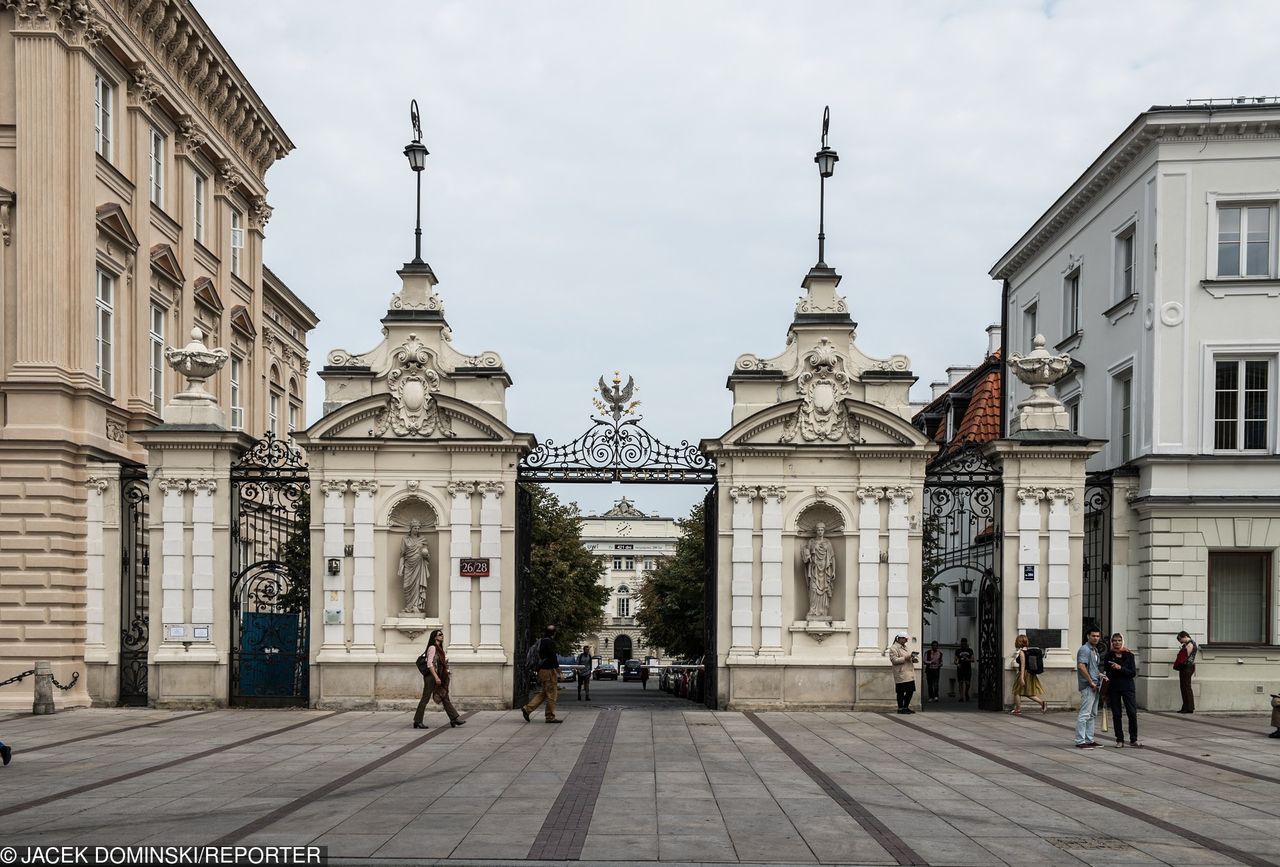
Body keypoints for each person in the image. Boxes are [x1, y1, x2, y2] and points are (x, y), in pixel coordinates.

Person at [414, 629, 464, 729]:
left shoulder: (439, 648)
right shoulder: (432, 648)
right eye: (439, 634)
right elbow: (430, 664)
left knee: (444, 696)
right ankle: (417, 721)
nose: (442, 636)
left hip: (439, 676)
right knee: (425, 698)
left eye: (442, 634)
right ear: (435, 637)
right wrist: (436, 677)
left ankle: (454, 719)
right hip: (431, 677)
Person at [1103, 633, 1139, 747]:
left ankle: (1133, 739)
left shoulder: (1129, 655)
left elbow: (1132, 673)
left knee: (1132, 713)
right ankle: (1119, 739)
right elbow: (1106, 673)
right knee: (1116, 714)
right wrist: (1105, 691)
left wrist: (1120, 668)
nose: (1116, 643)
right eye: (1114, 640)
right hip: (1114, 688)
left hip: (1128, 687)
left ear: (1122, 641)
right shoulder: (1109, 655)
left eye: (1119, 640)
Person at [521, 624, 562, 724]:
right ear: (554, 633)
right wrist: (558, 671)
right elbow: (553, 657)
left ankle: (527, 709)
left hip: (542, 671)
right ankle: (550, 717)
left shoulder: (541, 641)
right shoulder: (549, 642)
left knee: (543, 693)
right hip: (548, 671)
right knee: (552, 694)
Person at [1075, 628, 1104, 748]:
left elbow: (1093, 668)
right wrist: (1090, 681)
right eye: (1093, 636)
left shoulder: (1094, 650)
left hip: (1095, 685)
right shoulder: (1085, 649)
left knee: (1092, 714)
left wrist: (1099, 675)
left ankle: (1089, 739)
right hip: (1088, 686)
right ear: (1088, 636)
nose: (1096, 638)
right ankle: (1080, 741)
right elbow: (1081, 666)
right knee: (1084, 714)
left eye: (1097, 636)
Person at [802, 523, 836, 620]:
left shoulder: (827, 543)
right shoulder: (811, 542)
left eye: (822, 530)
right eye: (818, 530)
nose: (820, 532)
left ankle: (823, 611)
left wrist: (834, 571)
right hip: (814, 569)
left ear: (824, 531)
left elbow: (832, 557)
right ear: (816, 531)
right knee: (813, 589)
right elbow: (806, 556)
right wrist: (807, 556)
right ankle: (813, 610)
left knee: (824, 590)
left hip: (825, 571)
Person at [1011, 634, 1047, 715]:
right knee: (1027, 693)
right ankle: (1042, 703)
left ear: (1018, 642)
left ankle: (1018, 709)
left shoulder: (1022, 653)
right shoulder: (1028, 651)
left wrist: (1021, 677)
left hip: (1024, 674)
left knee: (1016, 691)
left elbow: (1023, 665)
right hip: (1029, 674)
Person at [888, 632, 917, 714]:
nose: (906, 640)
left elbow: (908, 657)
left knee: (910, 691)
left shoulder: (905, 647)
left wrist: (913, 659)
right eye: (905, 639)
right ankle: (900, 708)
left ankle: (906, 706)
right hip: (901, 673)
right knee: (901, 692)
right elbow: (894, 660)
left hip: (909, 673)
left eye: (906, 639)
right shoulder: (893, 648)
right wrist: (906, 657)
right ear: (899, 638)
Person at [1174, 631, 1198, 714]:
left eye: (1180, 640)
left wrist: (1182, 650)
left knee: (1186, 687)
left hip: (1187, 667)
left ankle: (1189, 708)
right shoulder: (1189, 644)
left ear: (1184, 636)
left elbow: (1185, 657)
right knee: (1184, 687)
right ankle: (1186, 707)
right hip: (1187, 667)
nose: (1180, 642)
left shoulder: (1190, 644)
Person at [954, 638, 974, 703]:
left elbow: (973, 659)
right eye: (962, 643)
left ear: (966, 643)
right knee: (960, 682)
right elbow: (955, 660)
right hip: (960, 668)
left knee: (968, 683)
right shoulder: (958, 651)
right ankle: (961, 697)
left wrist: (968, 659)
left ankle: (966, 692)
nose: (963, 645)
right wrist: (957, 664)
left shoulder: (970, 650)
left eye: (964, 643)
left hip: (967, 668)